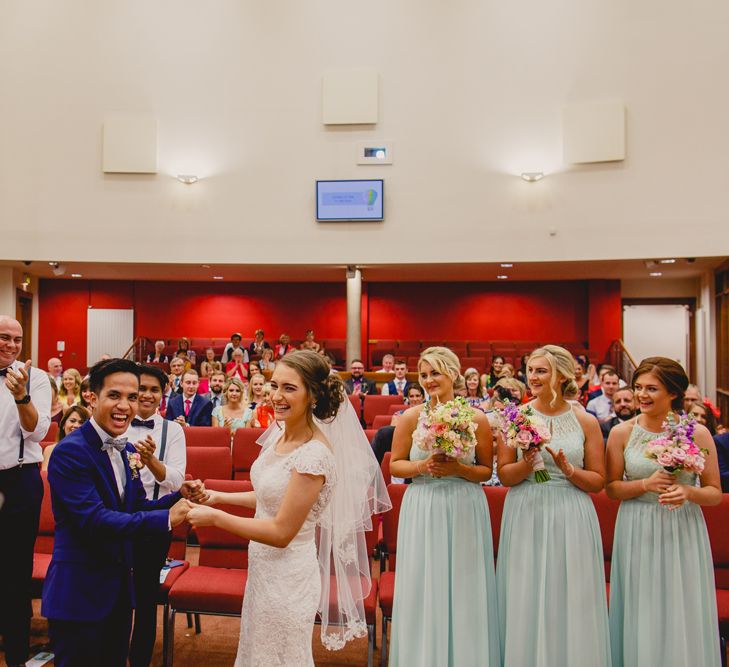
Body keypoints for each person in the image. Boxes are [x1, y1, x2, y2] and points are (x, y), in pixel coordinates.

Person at [186, 350, 390, 665]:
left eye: (289, 388)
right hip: (262, 569)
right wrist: (219, 497)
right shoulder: (280, 434)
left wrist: (215, 517)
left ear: (314, 395)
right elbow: (273, 495)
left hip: (288, 576)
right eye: (275, 385)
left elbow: (282, 530)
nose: (276, 396)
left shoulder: (314, 455)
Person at [41, 358, 204, 667]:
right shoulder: (70, 451)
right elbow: (94, 520)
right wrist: (167, 519)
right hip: (80, 592)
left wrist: (175, 498)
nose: (125, 406)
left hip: (118, 591)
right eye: (114, 395)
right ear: (91, 397)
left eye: (131, 397)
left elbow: (135, 506)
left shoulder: (128, 450)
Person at [496, 345, 610, 666]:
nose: (533, 377)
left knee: (570, 593)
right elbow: (505, 474)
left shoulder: (585, 421)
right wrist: (528, 462)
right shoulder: (517, 416)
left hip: (571, 510)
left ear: (561, 375)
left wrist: (570, 471)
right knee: (527, 591)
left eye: (541, 371)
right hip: (527, 508)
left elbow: (598, 480)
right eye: (530, 370)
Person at [606, 357, 722, 666]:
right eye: (638, 387)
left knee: (679, 604)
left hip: (681, 525)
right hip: (636, 525)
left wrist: (689, 490)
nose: (641, 395)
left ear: (673, 393)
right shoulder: (622, 434)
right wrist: (645, 483)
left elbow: (714, 493)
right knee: (640, 605)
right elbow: (612, 488)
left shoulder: (696, 434)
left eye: (651, 389)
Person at [388, 347, 499, 666]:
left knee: (464, 582)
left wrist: (459, 469)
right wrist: (422, 467)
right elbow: (395, 466)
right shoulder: (410, 416)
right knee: (424, 580)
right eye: (423, 375)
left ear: (453, 373)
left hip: (464, 504)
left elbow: (484, 471)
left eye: (435, 373)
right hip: (423, 504)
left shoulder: (477, 418)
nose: (428, 380)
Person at [125, 364, 186, 667]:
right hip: (116, 520)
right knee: (116, 593)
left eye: (153, 390)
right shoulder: (117, 422)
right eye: (141, 389)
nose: (147, 395)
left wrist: (151, 462)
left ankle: (139, 661)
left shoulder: (173, 431)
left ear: (163, 394)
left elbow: (175, 480)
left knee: (146, 598)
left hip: (155, 522)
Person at [0, 316, 52, 666]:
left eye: (17, 340)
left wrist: (21, 396)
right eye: (4, 338)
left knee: (15, 570)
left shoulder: (37, 378)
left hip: (19, 480)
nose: (12, 345)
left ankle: (17, 654)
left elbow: (37, 431)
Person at [42, 405, 90, 471]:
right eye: (72, 421)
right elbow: (45, 475)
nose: (76, 425)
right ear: (64, 425)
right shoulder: (50, 450)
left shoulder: (91, 452)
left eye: (81, 423)